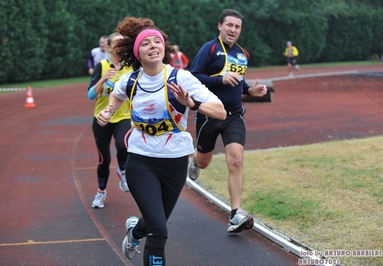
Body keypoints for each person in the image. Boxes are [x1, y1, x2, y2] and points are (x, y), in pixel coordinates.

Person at [97, 16, 226, 266]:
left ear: (164, 49)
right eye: (146, 43)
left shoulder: (181, 78)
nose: (153, 45)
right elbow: (116, 94)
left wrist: (192, 104)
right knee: (159, 229)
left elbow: (220, 111)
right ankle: (142, 235)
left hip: (175, 161)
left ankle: (134, 233)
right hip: (141, 160)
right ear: (138, 52)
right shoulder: (131, 80)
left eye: (158, 41)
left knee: (155, 221)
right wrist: (109, 111)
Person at [188, 9, 267, 234]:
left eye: (237, 27)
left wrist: (251, 90)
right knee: (204, 162)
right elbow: (192, 76)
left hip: (234, 115)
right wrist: (219, 79)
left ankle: (235, 215)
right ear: (220, 26)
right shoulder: (210, 48)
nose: (233, 30)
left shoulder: (243, 54)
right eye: (229, 25)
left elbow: (238, 81)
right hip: (210, 114)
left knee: (237, 161)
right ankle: (194, 161)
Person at [87, 33, 132, 209]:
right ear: (110, 47)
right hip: (102, 118)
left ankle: (122, 170)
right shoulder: (102, 66)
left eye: (124, 44)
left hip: (123, 116)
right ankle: (101, 192)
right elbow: (90, 95)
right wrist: (104, 79)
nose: (121, 48)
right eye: (118, 44)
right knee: (103, 159)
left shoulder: (131, 68)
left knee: (123, 145)